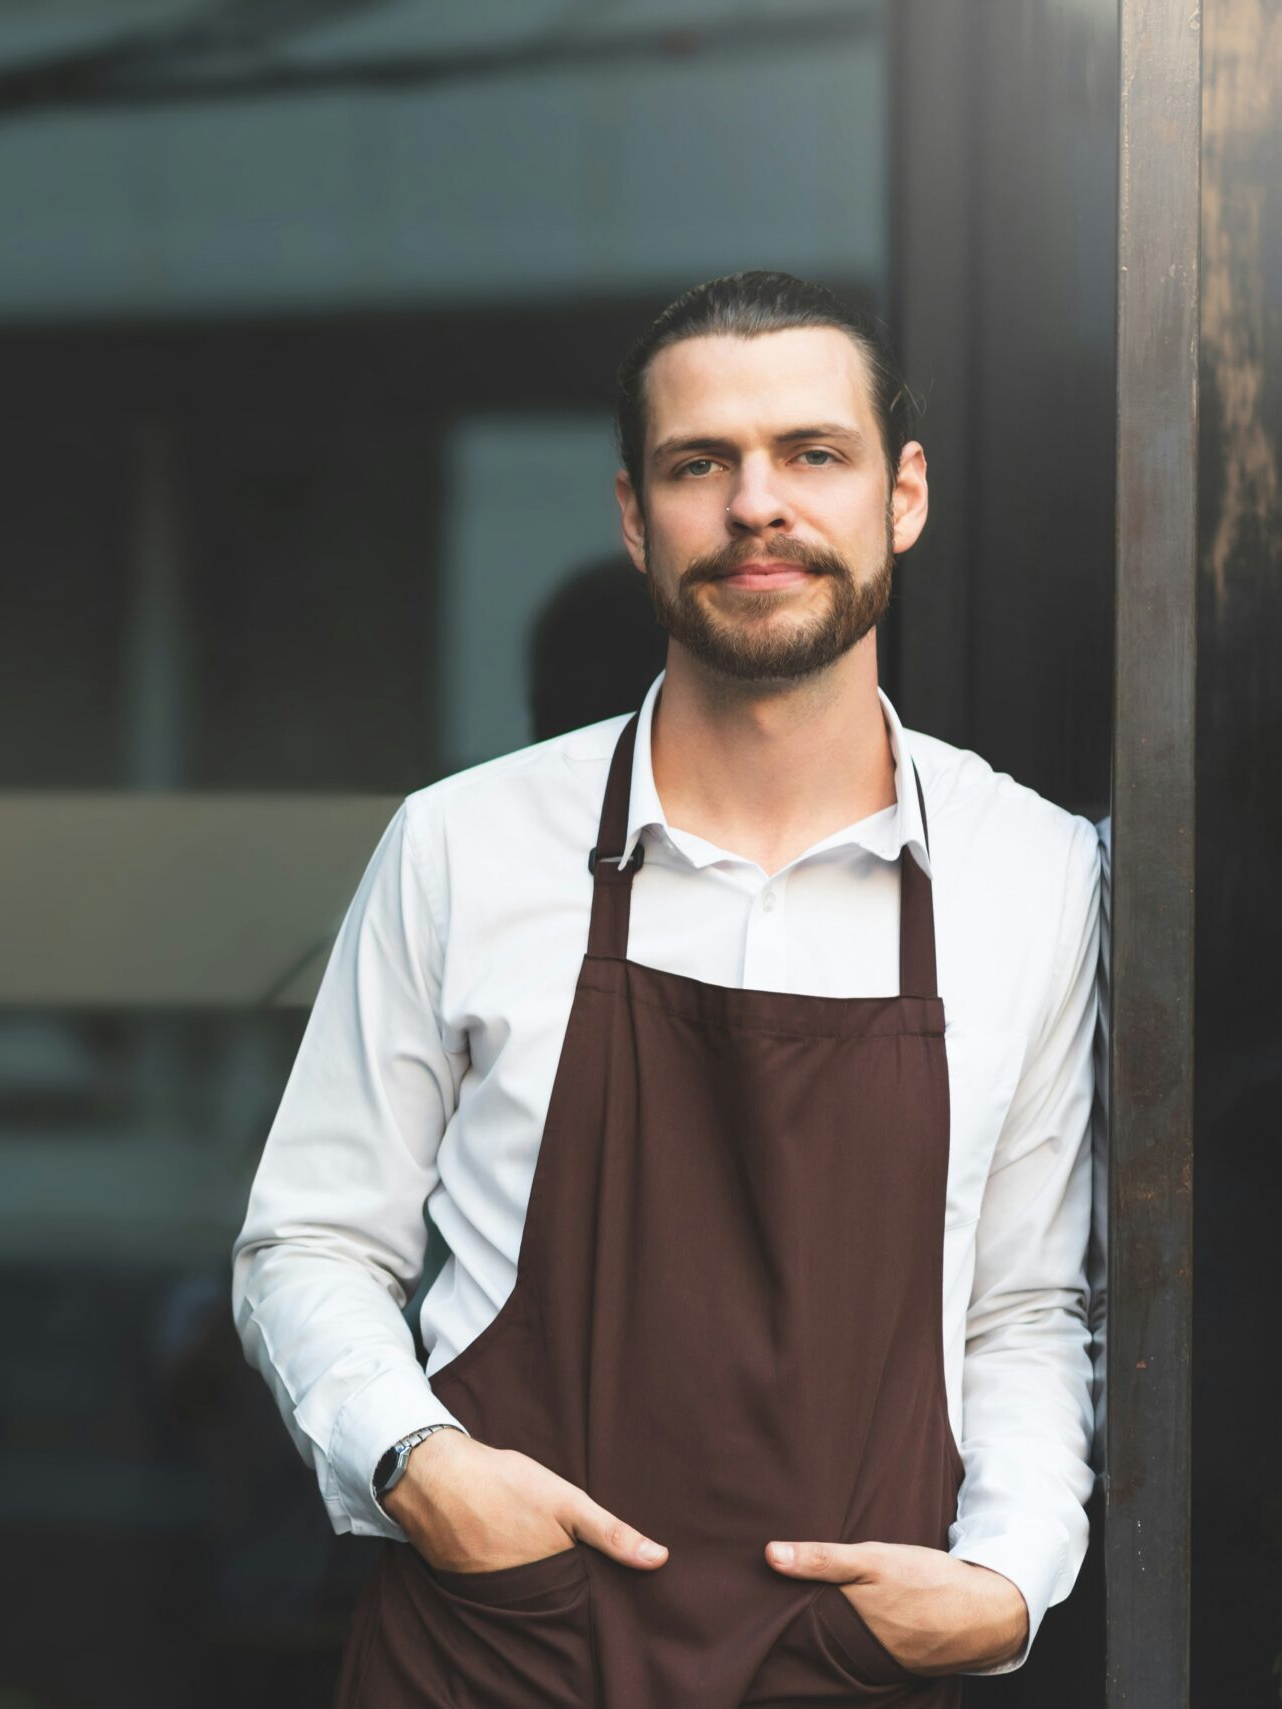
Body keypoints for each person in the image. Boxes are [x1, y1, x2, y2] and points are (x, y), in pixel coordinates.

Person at [230, 270, 1103, 1706]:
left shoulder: (1036, 873)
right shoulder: (463, 843)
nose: (759, 503)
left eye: (812, 454)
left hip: (838, 1673)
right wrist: (420, 1464)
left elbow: (1023, 1305)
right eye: (704, 464)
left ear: (905, 496)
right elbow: (311, 1241)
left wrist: (1006, 1582)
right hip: (500, 1656)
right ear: (638, 516)